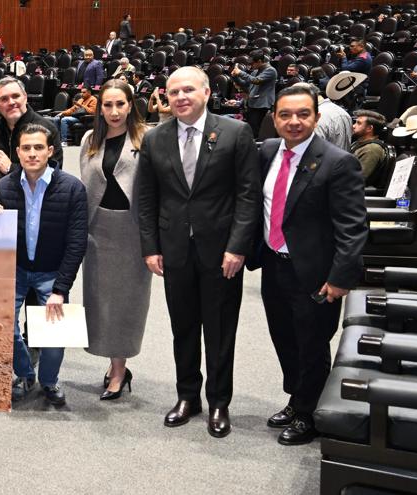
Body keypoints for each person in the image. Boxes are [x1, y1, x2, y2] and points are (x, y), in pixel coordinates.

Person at [135, 66, 261, 438]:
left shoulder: (235, 132)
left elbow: (248, 196)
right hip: (174, 250)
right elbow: (146, 198)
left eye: (188, 90)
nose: (180, 97)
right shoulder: (155, 138)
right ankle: (187, 396)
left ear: (206, 92)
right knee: (183, 328)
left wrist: (237, 246)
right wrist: (150, 247)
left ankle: (219, 401)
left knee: (220, 331)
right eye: (173, 92)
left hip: (222, 253)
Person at [251, 85, 368, 445]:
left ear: (316, 117)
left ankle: (309, 414)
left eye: (303, 114)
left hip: (315, 273)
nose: (294, 121)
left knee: (312, 345)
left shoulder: (338, 162)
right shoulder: (267, 151)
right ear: (274, 118)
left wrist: (340, 277)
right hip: (274, 265)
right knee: (284, 337)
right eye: (285, 114)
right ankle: (296, 399)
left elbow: (352, 227)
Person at [0, 124, 88, 406]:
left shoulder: (72, 188)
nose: (32, 153)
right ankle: (24, 374)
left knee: (55, 335)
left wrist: (61, 289)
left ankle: (49, 380)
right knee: (3, 325)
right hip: (15, 270)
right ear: (17, 152)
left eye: (38, 147)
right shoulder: (4, 187)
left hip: (52, 272)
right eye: (26, 148)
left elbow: (76, 243)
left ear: (50, 151)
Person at [79, 80, 151, 401]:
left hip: (131, 232)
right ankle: (112, 363)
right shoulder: (89, 139)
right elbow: (86, 186)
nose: (114, 111)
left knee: (126, 304)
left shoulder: (146, 138)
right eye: (107, 105)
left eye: (120, 104)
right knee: (100, 303)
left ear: (130, 105)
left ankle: (119, 370)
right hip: (97, 231)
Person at [0, 77, 62, 172]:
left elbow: (53, 172)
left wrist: (11, 168)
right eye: (4, 99)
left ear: (25, 97)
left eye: (16, 96)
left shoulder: (47, 128)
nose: (11, 102)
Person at [230, 53, 278, 139]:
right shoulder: (255, 72)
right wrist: (235, 76)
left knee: (257, 131)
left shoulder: (271, 70)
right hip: (252, 104)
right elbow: (244, 84)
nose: (250, 66)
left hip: (262, 105)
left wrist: (240, 72)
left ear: (259, 61)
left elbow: (256, 81)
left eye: (252, 63)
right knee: (251, 129)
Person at [350, 110, 391, 185]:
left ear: (369, 128)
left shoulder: (372, 149)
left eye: (358, 123)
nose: (353, 126)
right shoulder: (359, 142)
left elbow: (356, 180)